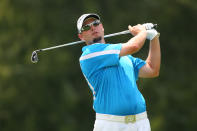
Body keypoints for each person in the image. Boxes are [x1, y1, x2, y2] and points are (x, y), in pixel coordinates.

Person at [77, 13, 161, 131]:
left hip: (140, 122)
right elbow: (134, 46)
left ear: (102, 27)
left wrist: (154, 38)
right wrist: (142, 32)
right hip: (111, 124)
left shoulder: (123, 56)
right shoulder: (89, 55)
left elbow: (152, 70)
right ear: (81, 36)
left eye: (95, 23)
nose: (92, 28)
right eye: (86, 27)